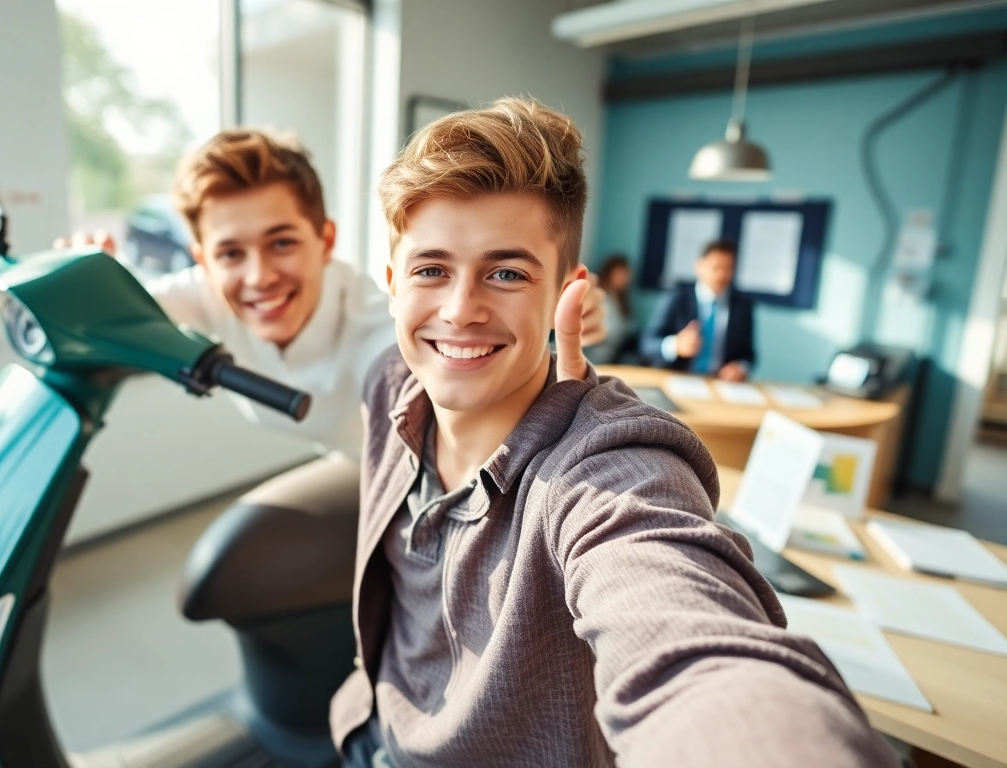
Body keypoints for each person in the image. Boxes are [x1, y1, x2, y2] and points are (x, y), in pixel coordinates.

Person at [333, 97, 897, 768]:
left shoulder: (606, 466)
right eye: (431, 270)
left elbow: (692, 646)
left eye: (507, 273)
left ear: (566, 296)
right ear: (394, 285)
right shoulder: (390, 381)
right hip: (366, 733)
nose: (461, 310)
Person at [55, 129, 608, 524]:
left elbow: (451, 373)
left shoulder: (372, 327)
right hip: (355, 464)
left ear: (324, 240)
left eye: (282, 242)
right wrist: (76, 279)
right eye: (230, 253)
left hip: (428, 476)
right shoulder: (204, 294)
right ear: (203, 259)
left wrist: (553, 309)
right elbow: (96, 317)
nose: (259, 277)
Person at [640, 240, 755, 381]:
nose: (722, 275)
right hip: (679, 378)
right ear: (700, 266)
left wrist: (741, 367)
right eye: (716, 267)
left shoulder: (743, 306)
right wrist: (675, 345)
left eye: (728, 268)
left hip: (720, 383)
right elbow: (646, 344)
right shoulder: (676, 298)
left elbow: (748, 355)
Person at [583, 253, 635, 365]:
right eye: (622, 273)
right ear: (610, 273)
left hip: (614, 354)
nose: (626, 278)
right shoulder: (600, 296)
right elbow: (608, 330)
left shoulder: (620, 299)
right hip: (597, 356)